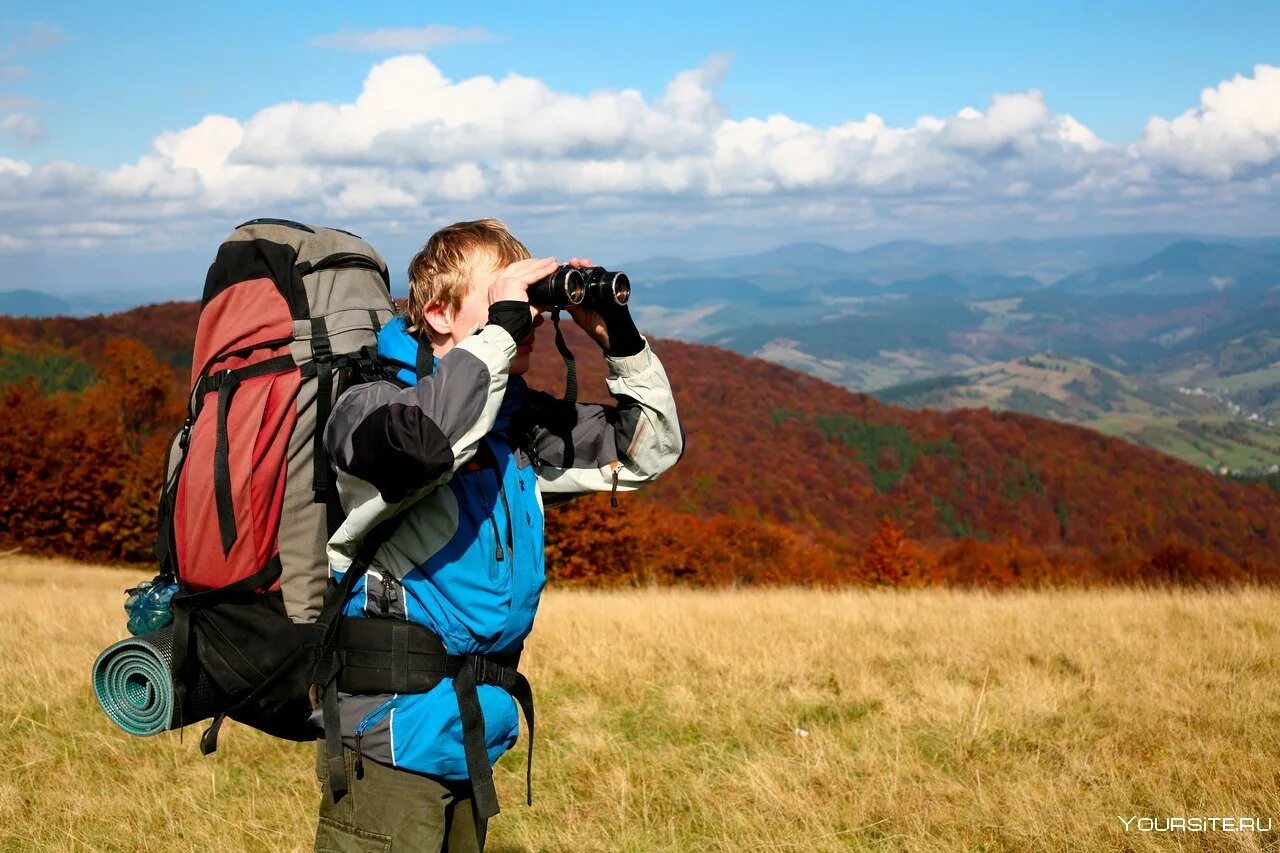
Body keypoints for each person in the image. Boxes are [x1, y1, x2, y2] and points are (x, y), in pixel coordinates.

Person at [313, 219, 684, 851]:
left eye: (531, 307)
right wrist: (500, 334)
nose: (528, 322)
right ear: (437, 312)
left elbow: (645, 453)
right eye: (503, 300)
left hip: (470, 729)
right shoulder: (368, 406)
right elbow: (423, 445)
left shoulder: (513, 424)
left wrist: (618, 340)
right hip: (389, 738)